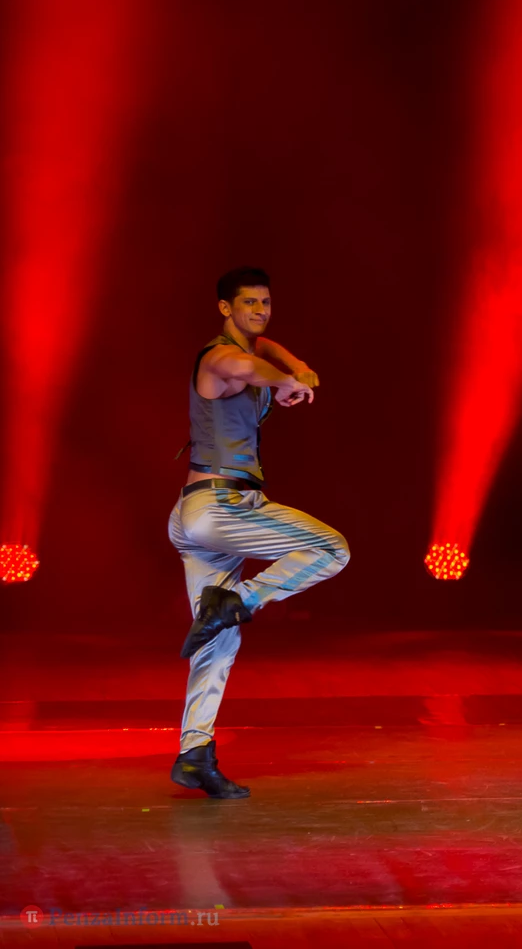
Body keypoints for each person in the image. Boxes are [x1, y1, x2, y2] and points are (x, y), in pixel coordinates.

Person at [167, 267, 350, 799]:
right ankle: (238, 600)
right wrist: (287, 380)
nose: (260, 311)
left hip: (200, 515)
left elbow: (264, 349)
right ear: (224, 308)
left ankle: (194, 754)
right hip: (220, 506)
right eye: (248, 303)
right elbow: (248, 363)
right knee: (331, 548)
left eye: (265, 303)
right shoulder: (217, 359)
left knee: (217, 642)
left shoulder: (255, 346)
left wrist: (298, 368)